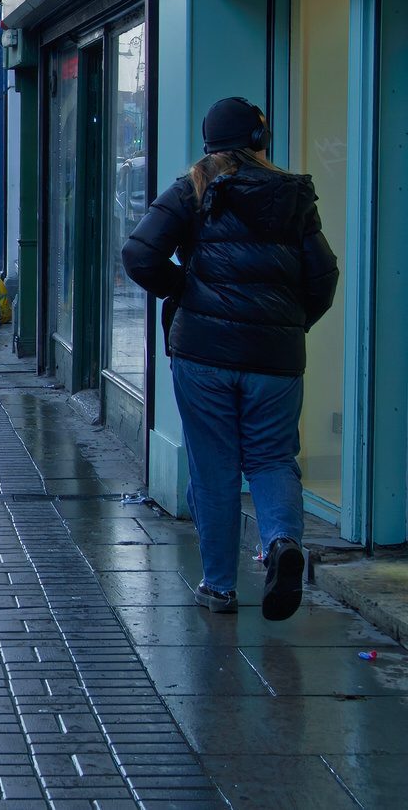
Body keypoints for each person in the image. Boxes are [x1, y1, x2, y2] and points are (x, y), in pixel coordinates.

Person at [122, 96, 338, 620]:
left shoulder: (193, 187)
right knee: (271, 459)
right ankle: (282, 541)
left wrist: (187, 291)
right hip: (276, 360)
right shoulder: (293, 196)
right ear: (260, 141)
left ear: (209, 142)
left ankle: (219, 587)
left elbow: (139, 254)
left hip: (203, 355)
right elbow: (323, 277)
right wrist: (288, 323)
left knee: (214, 467)